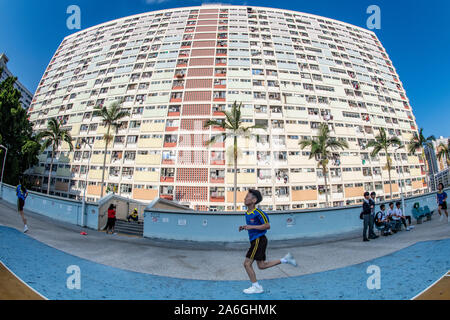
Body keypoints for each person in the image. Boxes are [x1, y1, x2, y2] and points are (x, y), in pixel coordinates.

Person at [239, 189, 297, 294]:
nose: (245, 198)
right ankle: (285, 259)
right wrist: (244, 227)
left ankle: (256, 287)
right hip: (255, 241)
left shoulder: (259, 213)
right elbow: (252, 226)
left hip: (259, 240)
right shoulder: (247, 213)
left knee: (247, 264)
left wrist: (251, 226)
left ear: (254, 200)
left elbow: (267, 226)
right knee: (261, 266)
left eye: (247, 196)